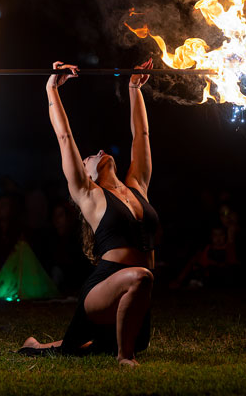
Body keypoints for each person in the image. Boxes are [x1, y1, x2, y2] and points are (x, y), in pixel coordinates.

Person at [19, 59, 158, 366]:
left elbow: (142, 137)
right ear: (87, 175)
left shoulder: (137, 186)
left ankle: (38, 347)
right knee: (141, 278)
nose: (96, 153)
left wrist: (134, 88)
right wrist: (52, 87)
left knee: (85, 346)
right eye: (89, 158)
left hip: (134, 297)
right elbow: (65, 137)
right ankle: (125, 358)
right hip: (103, 289)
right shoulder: (90, 195)